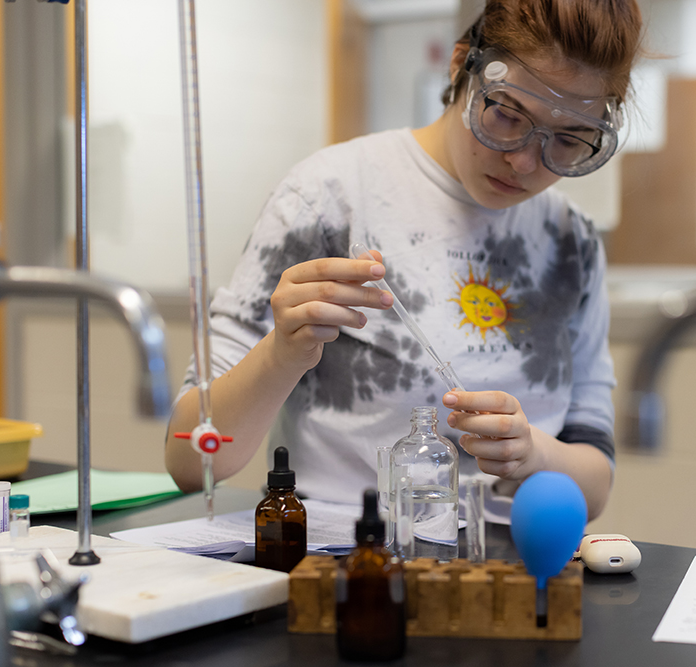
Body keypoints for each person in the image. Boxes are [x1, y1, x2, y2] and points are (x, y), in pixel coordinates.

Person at [165, 0, 644, 521]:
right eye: (507, 115)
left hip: (510, 567)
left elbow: (594, 487)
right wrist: (283, 354)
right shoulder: (331, 196)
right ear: (463, 65)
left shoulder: (571, 243)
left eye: (569, 140)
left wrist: (532, 454)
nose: (525, 161)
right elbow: (191, 460)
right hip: (349, 560)